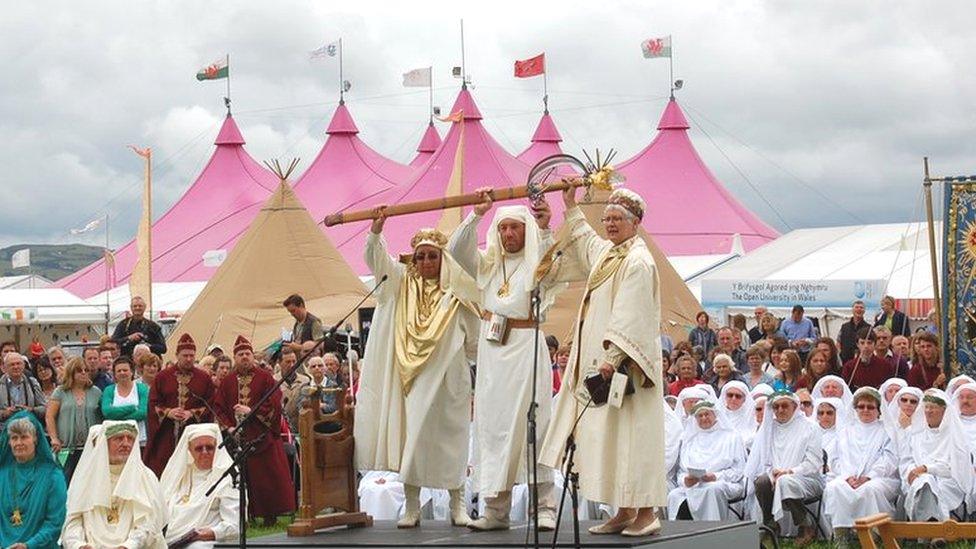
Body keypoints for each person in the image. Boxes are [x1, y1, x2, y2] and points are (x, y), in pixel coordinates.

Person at [539, 187, 665, 537]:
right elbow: (586, 241)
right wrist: (570, 207)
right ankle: (624, 509)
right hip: (610, 366)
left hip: (630, 369)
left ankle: (646, 512)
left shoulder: (638, 261)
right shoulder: (612, 254)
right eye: (607, 218)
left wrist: (611, 358)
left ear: (635, 223)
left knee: (634, 438)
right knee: (615, 438)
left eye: (617, 219)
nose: (609, 224)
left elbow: (631, 314)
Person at [354, 208, 480, 529]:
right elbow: (377, 261)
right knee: (414, 442)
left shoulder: (457, 291)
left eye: (432, 257)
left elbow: (475, 341)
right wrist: (376, 230)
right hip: (412, 380)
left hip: (451, 380)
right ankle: (412, 507)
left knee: (452, 441)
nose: (426, 262)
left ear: (442, 259)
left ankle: (458, 505)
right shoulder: (401, 285)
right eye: (421, 256)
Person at [447, 195, 557, 531]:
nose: (509, 233)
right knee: (493, 427)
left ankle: (544, 508)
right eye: (504, 227)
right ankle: (495, 511)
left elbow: (551, 265)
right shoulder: (489, 265)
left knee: (533, 422)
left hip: (527, 347)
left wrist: (544, 226)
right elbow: (456, 250)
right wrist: (476, 215)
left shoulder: (536, 259)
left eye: (515, 227)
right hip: (494, 351)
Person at [214, 335, 295, 525]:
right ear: (235, 357)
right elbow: (218, 406)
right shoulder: (228, 381)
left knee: (268, 478)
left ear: (252, 356)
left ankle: (270, 515)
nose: (244, 357)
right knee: (243, 479)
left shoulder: (265, 377)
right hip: (238, 439)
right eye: (241, 354)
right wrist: (230, 426)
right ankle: (246, 516)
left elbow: (275, 402)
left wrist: (251, 411)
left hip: (263, 437)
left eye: (248, 353)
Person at [61, 421, 167, 549]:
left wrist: (129, 545)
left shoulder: (146, 477)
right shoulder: (86, 477)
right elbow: (73, 520)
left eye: (130, 439)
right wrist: (79, 545)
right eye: (119, 438)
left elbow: (149, 523)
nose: (126, 444)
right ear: (104, 443)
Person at [744, 390, 823, 546]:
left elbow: (814, 463)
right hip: (777, 477)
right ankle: (770, 524)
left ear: (795, 407)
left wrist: (790, 472)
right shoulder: (769, 428)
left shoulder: (810, 427)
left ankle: (805, 525)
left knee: (786, 481)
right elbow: (764, 458)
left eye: (785, 406)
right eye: (776, 406)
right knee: (761, 481)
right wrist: (771, 472)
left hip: (807, 479)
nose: (780, 410)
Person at [823, 388, 899, 547]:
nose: (865, 410)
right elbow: (835, 459)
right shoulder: (845, 431)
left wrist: (869, 476)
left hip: (881, 478)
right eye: (861, 406)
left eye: (870, 407)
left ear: (878, 410)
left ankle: (873, 535)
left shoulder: (887, 430)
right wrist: (847, 477)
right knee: (835, 487)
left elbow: (889, 459)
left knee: (870, 489)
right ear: (855, 408)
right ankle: (841, 535)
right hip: (847, 477)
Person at [145, 334, 215, 476]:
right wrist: (168, 412)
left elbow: (211, 404)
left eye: (191, 355)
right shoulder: (162, 377)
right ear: (177, 355)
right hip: (167, 435)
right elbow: (153, 403)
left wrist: (192, 413)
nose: (189, 359)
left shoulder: (204, 378)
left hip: (194, 435)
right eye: (185, 355)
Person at [160, 424, 239, 548]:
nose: (205, 452)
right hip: (170, 539)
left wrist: (210, 533)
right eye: (199, 448)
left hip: (205, 541)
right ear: (189, 450)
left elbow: (235, 525)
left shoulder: (228, 477)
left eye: (209, 447)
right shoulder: (180, 474)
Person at [897, 389, 970, 522]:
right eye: (927, 407)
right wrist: (912, 472)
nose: (929, 411)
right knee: (925, 482)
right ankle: (935, 528)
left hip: (949, 481)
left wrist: (927, 469)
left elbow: (956, 467)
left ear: (944, 411)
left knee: (929, 483)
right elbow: (907, 460)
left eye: (934, 408)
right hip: (918, 478)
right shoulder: (916, 434)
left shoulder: (955, 436)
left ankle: (929, 528)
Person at [667, 401, 746, 521]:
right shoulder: (690, 440)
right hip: (693, 485)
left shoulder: (732, 437)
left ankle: (713, 532)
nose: (704, 418)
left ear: (715, 415)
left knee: (712, 490)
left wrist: (715, 476)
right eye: (700, 416)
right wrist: (686, 480)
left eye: (707, 414)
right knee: (674, 495)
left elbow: (738, 470)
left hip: (724, 482)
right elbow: (681, 471)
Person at [0, 412, 67, 549]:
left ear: (35, 439)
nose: (19, 443)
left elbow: (55, 522)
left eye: (24, 437)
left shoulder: (53, 476)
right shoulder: (2, 474)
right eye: (14, 438)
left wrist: (29, 545)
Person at [45, 356, 101, 482]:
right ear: (71, 372)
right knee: (65, 480)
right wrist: (54, 438)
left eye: (86, 370)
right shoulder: (60, 391)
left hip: (89, 447)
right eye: (79, 370)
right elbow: (50, 416)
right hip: (66, 447)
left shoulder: (96, 392)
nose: (83, 373)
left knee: (87, 482)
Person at [101, 356, 150, 448]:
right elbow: (107, 412)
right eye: (119, 371)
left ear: (132, 372)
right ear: (114, 374)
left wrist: (116, 416)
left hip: (139, 439)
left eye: (125, 370)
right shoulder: (109, 390)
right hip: (115, 439)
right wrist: (132, 408)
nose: (122, 373)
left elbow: (143, 413)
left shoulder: (142, 388)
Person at [0, 352, 46, 430]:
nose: (16, 367)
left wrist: (31, 409)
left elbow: (44, 409)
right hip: (5, 430)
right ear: (4, 368)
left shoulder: (32, 383)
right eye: (12, 364)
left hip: (30, 430)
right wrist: (5, 413)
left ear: (23, 365)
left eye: (18, 363)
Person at [275, 348, 311, 435]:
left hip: (301, 428)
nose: (291, 365)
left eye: (294, 361)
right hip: (281, 429)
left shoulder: (305, 380)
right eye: (287, 362)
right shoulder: (273, 381)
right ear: (279, 363)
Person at [718, 380, 757, 450]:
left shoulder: (751, 416)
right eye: (730, 395)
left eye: (738, 396)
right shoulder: (717, 415)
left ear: (744, 399)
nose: (733, 399)